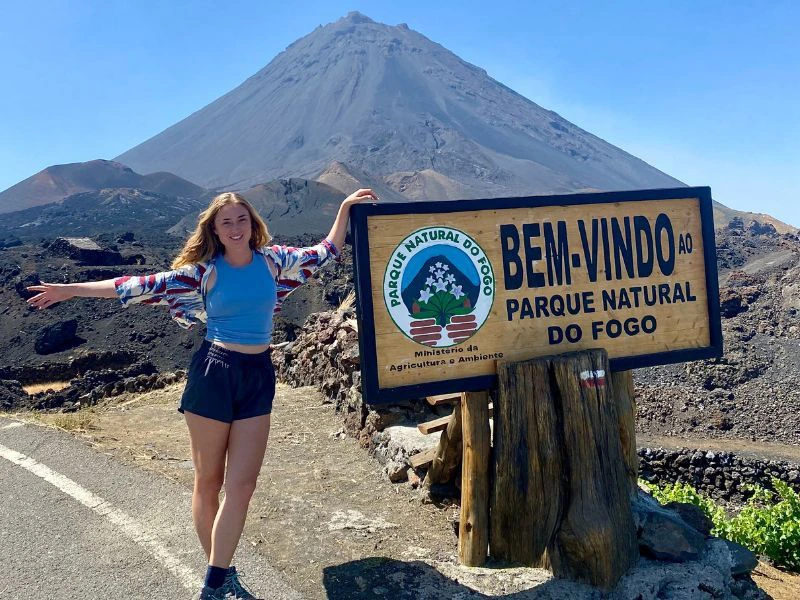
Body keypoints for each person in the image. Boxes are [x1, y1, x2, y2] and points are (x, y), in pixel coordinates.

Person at [27, 188, 378, 600]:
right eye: (225, 222)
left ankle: (213, 579)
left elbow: (325, 251)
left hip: (258, 374)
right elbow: (135, 285)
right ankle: (220, 575)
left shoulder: (274, 261)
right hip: (215, 371)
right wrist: (71, 289)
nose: (234, 228)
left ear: (253, 224)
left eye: (241, 219)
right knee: (208, 482)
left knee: (242, 485)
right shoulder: (202, 272)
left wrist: (343, 209)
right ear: (214, 228)